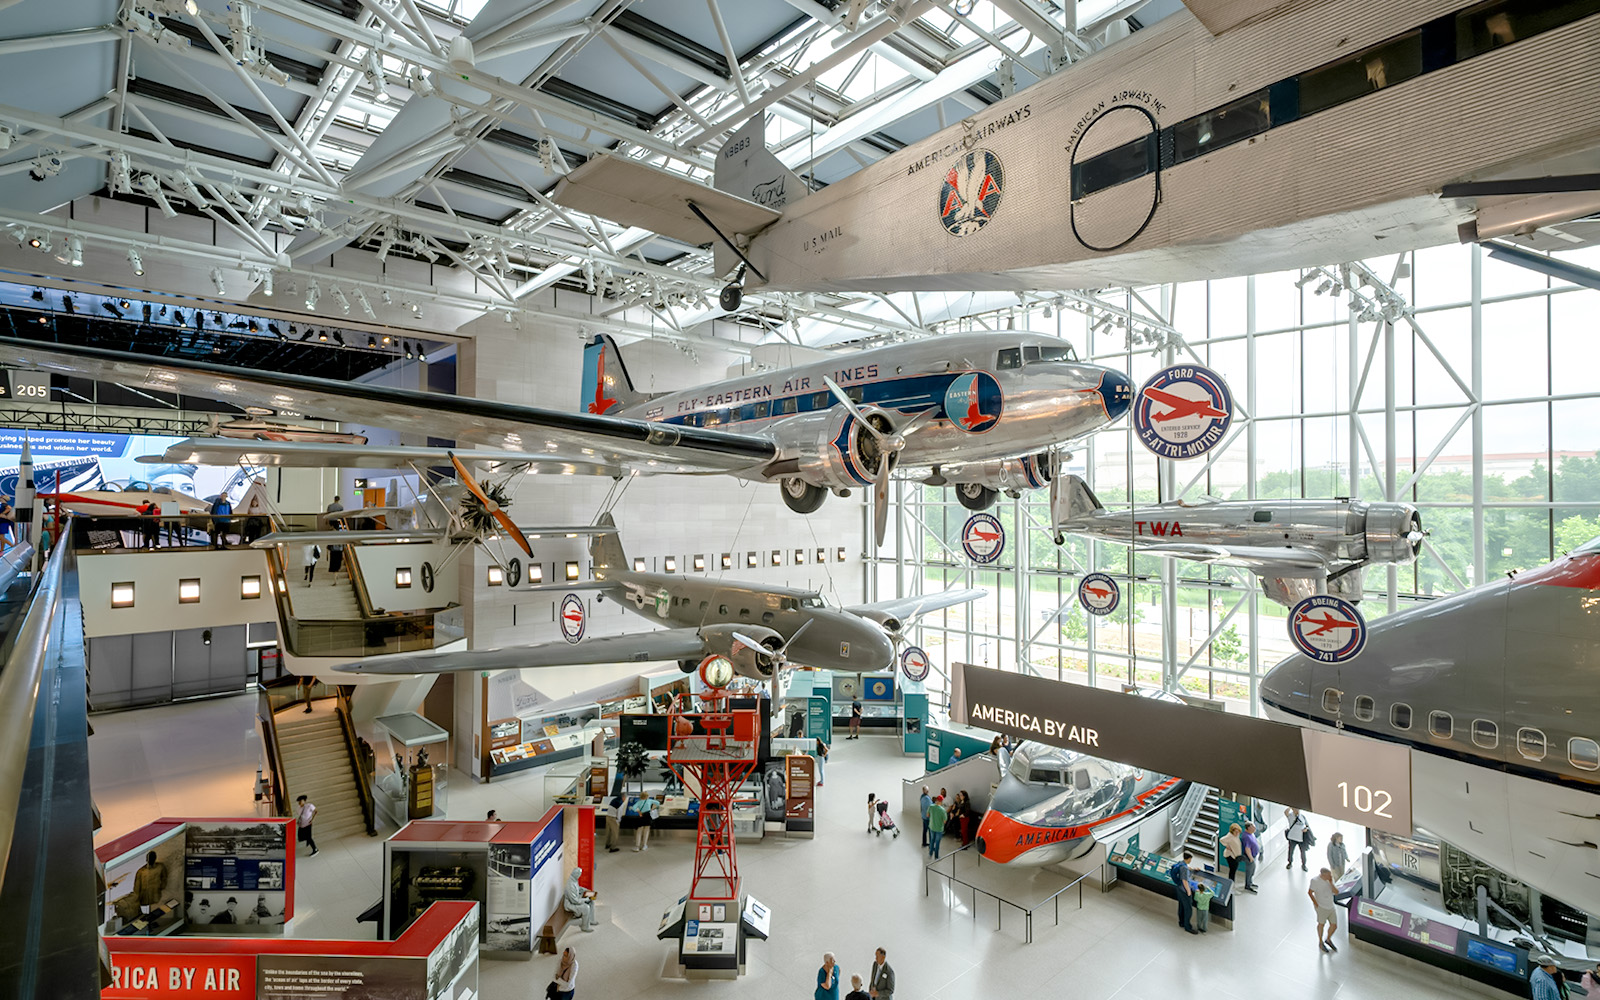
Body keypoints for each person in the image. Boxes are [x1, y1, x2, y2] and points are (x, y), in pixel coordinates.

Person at [1309, 866, 1338, 953]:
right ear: (1323, 875)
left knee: (1334, 925)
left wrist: (1331, 882)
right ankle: (1320, 941)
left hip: (1331, 906)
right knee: (1321, 924)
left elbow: (1336, 892)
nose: (1330, 877)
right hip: (1322, 907)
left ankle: (1328, 939)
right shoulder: (1315, 881)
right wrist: (1315, 903)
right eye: (1328, 875)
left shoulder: (1329, 881)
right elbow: (1310, 892)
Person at [1170, 850, 1199, 934]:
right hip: (1184, 890)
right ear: (1189, 858)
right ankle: (1187, 926)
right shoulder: (1184, 868)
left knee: (1181, 906)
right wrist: (1188, 891)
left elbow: (1187, 868)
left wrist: (1193, 869)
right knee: (1188, 909)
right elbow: (1185, 881)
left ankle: (1181, 922)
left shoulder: (1181, 863)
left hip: (1178, 888)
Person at [563, 867, 597, 932]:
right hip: (570, 904)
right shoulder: (570, 885)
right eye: (579, 874)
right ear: (576, 874)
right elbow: (574, 901)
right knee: (586, 908)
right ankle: (584, 927)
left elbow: (578, 888)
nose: (580, 875)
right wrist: (585, 900)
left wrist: (585, 890)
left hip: (576, 899)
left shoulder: (574, 879)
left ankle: (591, 920)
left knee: (591, 902)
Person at [1285, 807, 1310, 871]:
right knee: (1291, 851)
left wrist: (1306, 829)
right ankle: (1290, 863)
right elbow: (1285, 812)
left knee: (1303, 852)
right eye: (1295, 809)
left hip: (1301, 838)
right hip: (1292, 837)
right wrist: (1290, 807)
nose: (1297, 810)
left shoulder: (1302, 817)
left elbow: (1307, 826)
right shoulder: (1290, 816)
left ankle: (1304, 864)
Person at [1240, 822, 1261, 892]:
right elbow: (1247, 848)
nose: (1255, 828)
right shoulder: (1246, 837)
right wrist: (1250, 857)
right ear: (1248, 828)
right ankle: (1247, 885)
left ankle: (1250, 882)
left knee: (1252, 870)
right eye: (1253, 827)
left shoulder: (1251, 834)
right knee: (1249, 871)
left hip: (1253, 855)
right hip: (1249, 857)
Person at [927, 795, 948, 859]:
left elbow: (927, 815)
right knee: (937, 842)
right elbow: (944, 821)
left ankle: (930, 853)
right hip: (939, 828)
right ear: (941, 801)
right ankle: (936, 856)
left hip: (932, 826)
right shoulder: (942, 810)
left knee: (932, 840)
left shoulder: (931, 806)